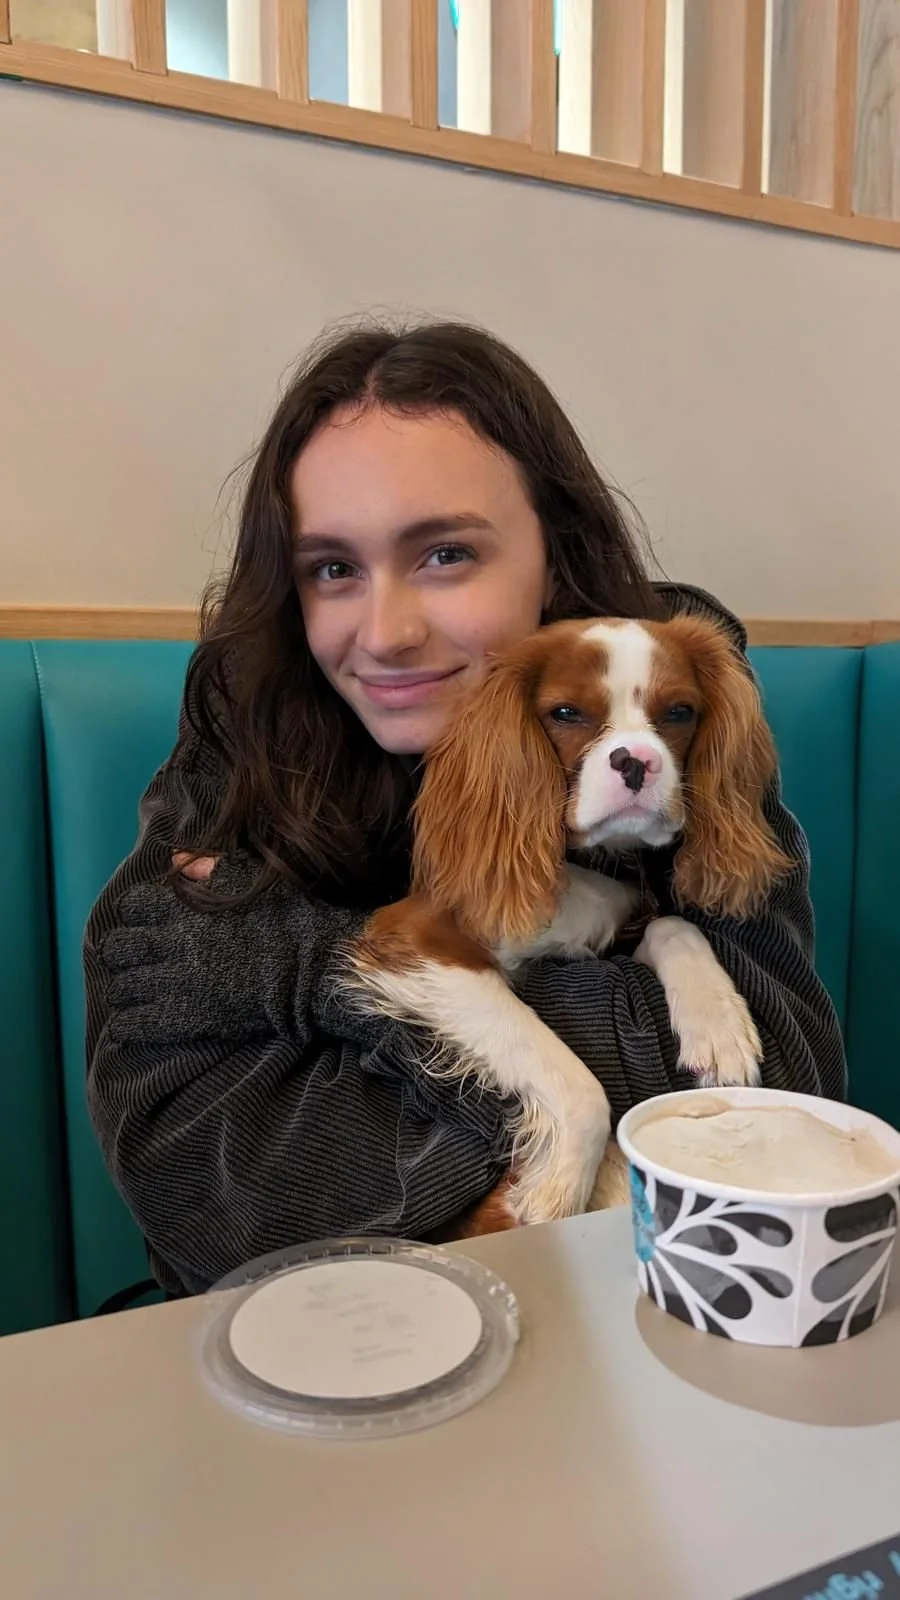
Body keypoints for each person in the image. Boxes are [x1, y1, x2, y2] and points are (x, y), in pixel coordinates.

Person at [85, 319, 845, 1299]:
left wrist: (314, 967)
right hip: (297, 1326)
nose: (387, 633)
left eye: (445, 553)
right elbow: (188, 1153)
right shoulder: (251, 716)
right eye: (332, 568)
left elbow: (772, 1092)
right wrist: (587, 1053)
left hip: (620, 1314)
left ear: (553, 552)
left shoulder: (669, 699)